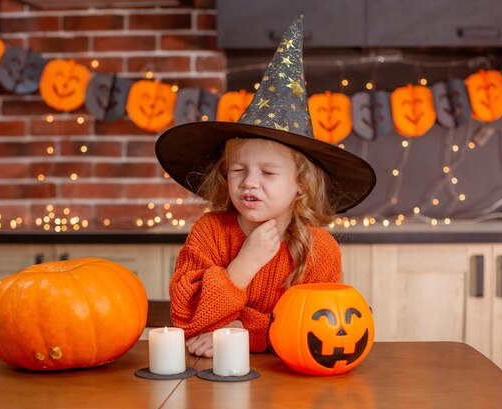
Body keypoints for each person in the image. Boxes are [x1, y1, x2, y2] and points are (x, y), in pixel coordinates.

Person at [155, 15, 376, 356]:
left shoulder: (321, 250)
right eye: (238, 169)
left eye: (268, 173)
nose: (249, 182)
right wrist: (242, 267)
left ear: (301, 185)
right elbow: (188, 321)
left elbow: (314, 330)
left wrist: (242, 331)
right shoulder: (209, 233)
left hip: (291, 388)